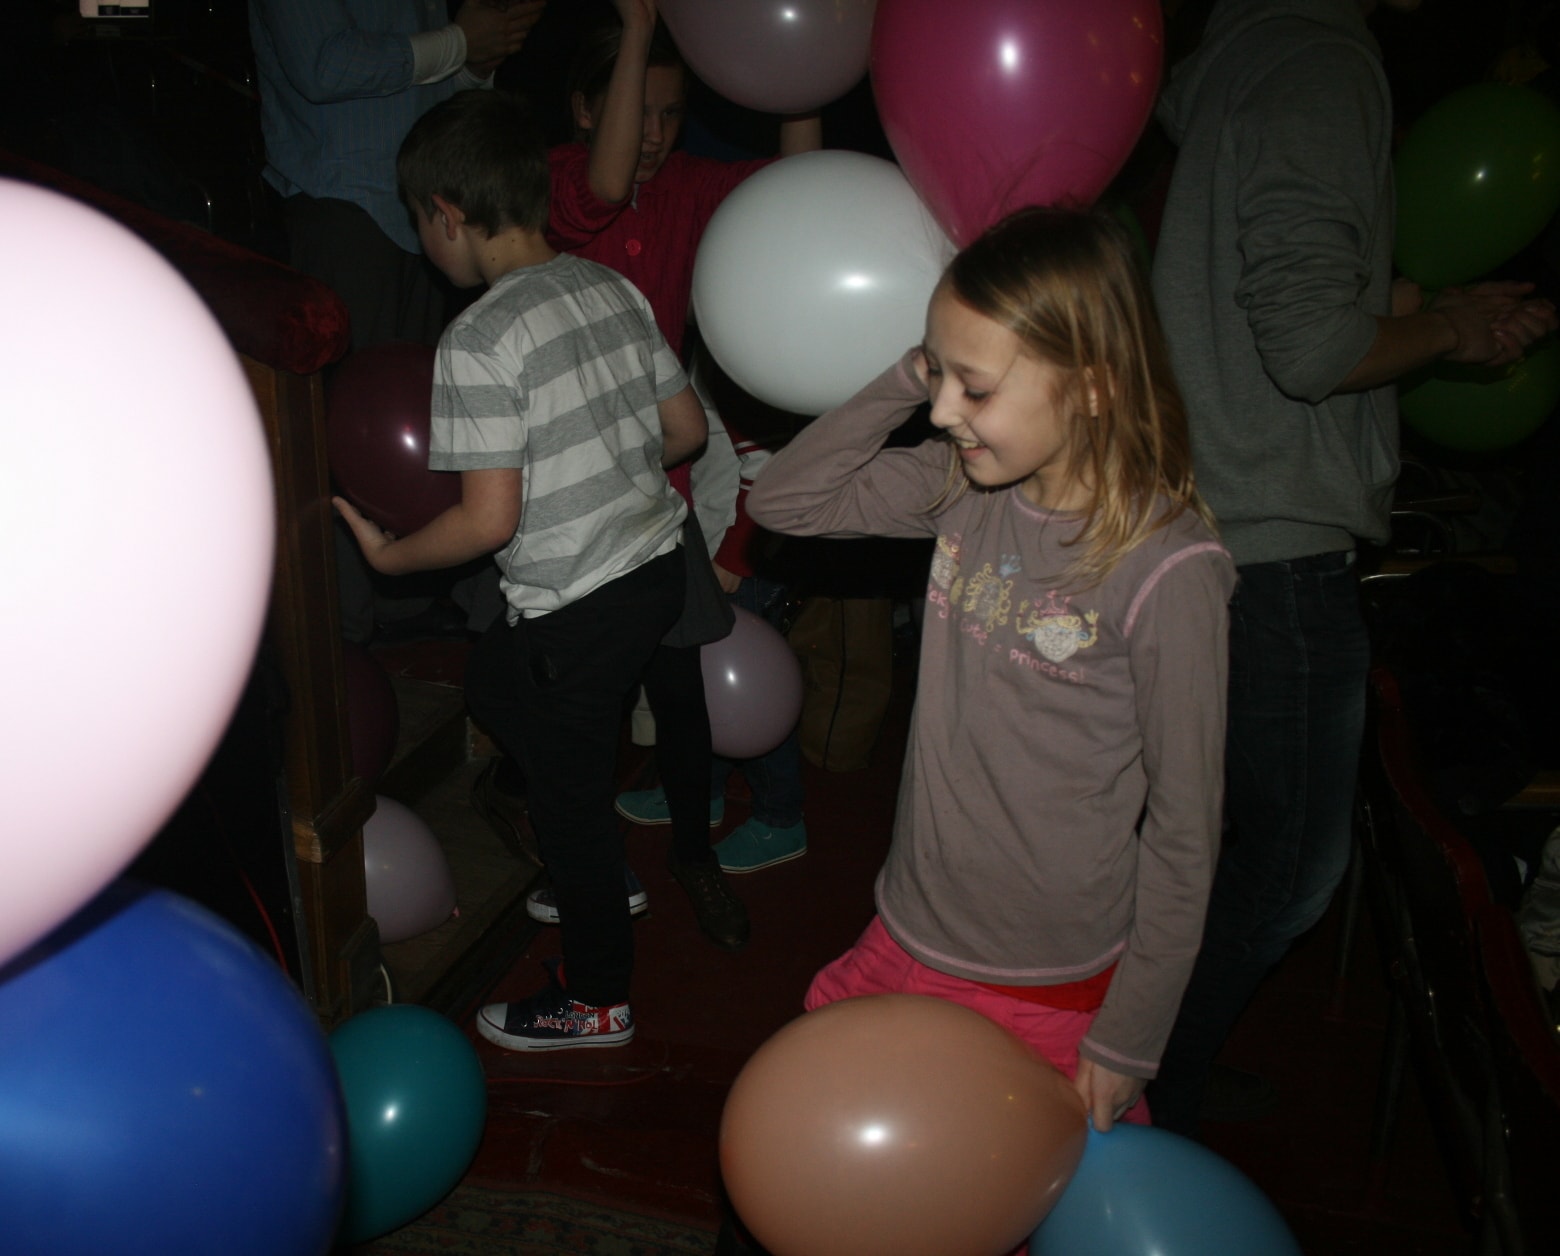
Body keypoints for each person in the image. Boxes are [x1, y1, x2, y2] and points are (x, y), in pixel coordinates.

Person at [1146, 0, 1559, 1135]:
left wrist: (1427, 307)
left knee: (1198, 843)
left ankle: (1152, 1067)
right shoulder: (1320, 61)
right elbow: (1314, 347)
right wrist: (1453, 336)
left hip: (1208, 521)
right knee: (1288, 874)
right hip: (1271, 547)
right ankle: (1150, 1092)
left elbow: (1262, 302)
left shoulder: (1242, 56)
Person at [747, 205, 1237, 1134]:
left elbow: (1186, 831)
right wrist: (913, 371)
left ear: (1092, 387)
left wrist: (1130, 1038)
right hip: (910, 923)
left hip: (1047, 983)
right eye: (938, 376)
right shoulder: (961, 484)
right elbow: (784, 500)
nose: (941, 413)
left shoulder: (1168, 572)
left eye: (973, 387)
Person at [334, 87, 708, 1050]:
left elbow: (486, 521)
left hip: (577, 608)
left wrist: (388, 555)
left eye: (419, 221)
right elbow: (685, 431)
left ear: (446, 214)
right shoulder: (609, 287)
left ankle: (597, 998)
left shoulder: (477, 339)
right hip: (658, 569)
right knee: (497, 681)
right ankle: (593, 870)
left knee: (569, 805)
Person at [472, 0, 818, 942]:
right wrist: (634, 28)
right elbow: (604, 184)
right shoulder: (552, 184)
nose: (658, 134)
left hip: (657, 498)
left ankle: (693, 858)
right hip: (561, 504)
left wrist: (808, 72)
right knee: (550, 693)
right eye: (642, 110)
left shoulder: (696, 188)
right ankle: (583, 853)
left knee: (679, 686)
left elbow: (799, 191)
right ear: (587, 108)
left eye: (673, 113)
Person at [249, 0, 547, 349]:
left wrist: (473, 65)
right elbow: (323, 67)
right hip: (345, 205)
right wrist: (459, 42)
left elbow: (421, 82)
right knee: (356, 377)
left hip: (427, 203)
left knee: (412, 375)